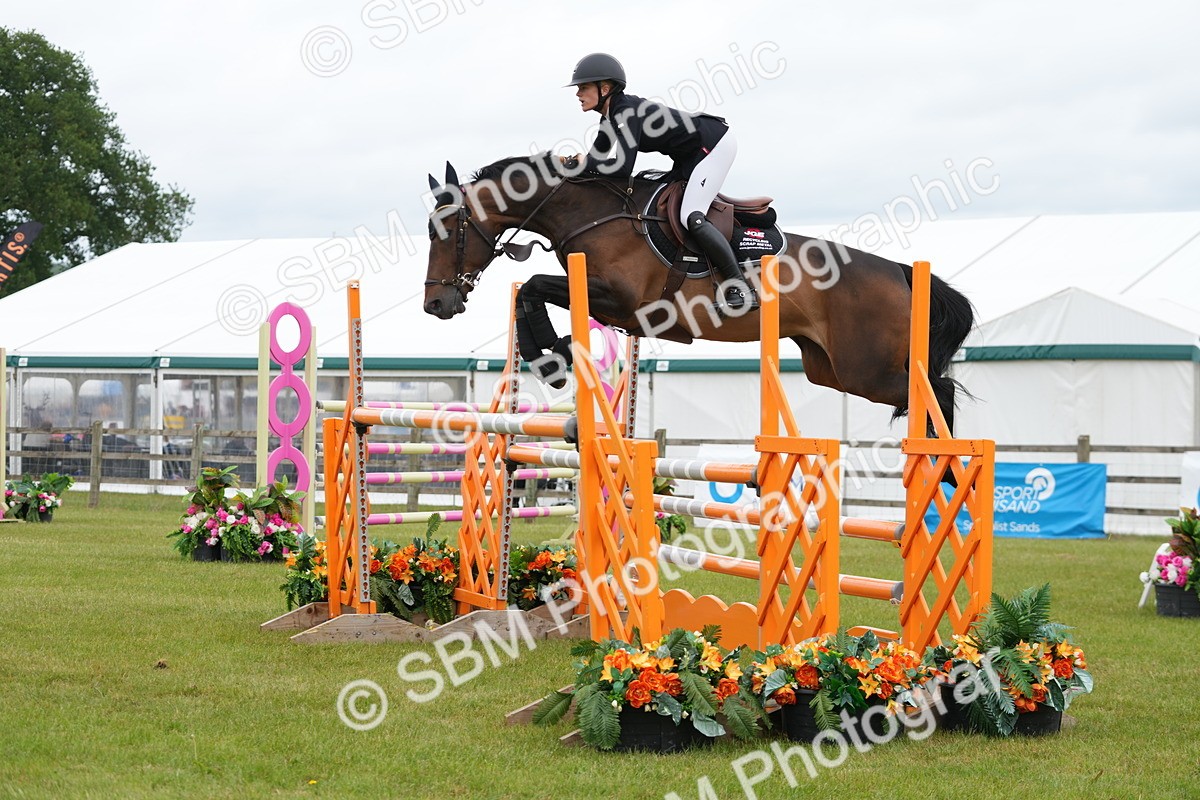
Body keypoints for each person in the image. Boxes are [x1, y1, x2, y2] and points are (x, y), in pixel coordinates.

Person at [563, 53, 752, 311]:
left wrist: (585, 164)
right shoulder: (610, 117)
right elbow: (596, 164)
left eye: (583, 87)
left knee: (692, 216)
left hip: (714, 145)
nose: (578, 94)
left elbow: (622, 167)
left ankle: (740, 289)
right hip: (688, 155)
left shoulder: (626, 112)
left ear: (604, 88)